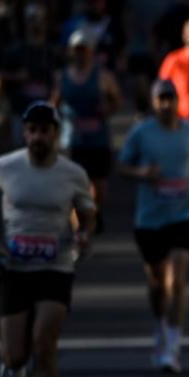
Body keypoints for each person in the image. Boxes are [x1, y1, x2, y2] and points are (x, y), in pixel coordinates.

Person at [0, 102, 96, 377]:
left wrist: (84, 235)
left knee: (44, 345)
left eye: (45, 130)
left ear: (55, 134)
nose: (38, 136)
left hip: (55, 266)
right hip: (14, 266)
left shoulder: (72, 173)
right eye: (32, 129)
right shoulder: (4, 167)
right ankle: (13, 364)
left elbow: (88, 213)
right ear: (25, 132)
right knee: (15, 355)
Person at [118, 80, 189, 373]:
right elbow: (121, 165)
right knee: (157, 285)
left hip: (181, 217)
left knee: (176, 280)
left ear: (178, 100)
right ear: (153, 102)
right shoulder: (141, 132)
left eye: (170, 98)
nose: (166, 104)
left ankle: (173, 344)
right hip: (149, 219)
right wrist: (141, 172)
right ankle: (160, 325)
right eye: (161, 99)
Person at [54, 30, 122, 230]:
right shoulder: (63, 77)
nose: (80, 54)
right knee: (74, 185)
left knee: (98, 185)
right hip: (72, 140)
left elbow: (116, 100)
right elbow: (54, 104)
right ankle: (79, 227)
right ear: (70, 51)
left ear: (91, 51)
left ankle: (94, 211)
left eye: (84, 49)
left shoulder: (103, 76)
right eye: (76, 50)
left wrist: (107, 108)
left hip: (98, 139)